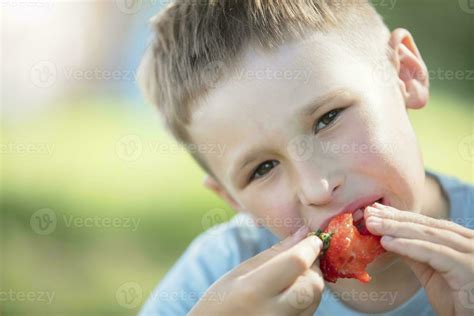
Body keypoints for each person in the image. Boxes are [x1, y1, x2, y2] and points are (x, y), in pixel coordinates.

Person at [137, 1, 474, 315]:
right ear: (234, 200)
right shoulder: (214, 280)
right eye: (263, 168)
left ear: (405, 74)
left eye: (328, 118)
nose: (317, 188)